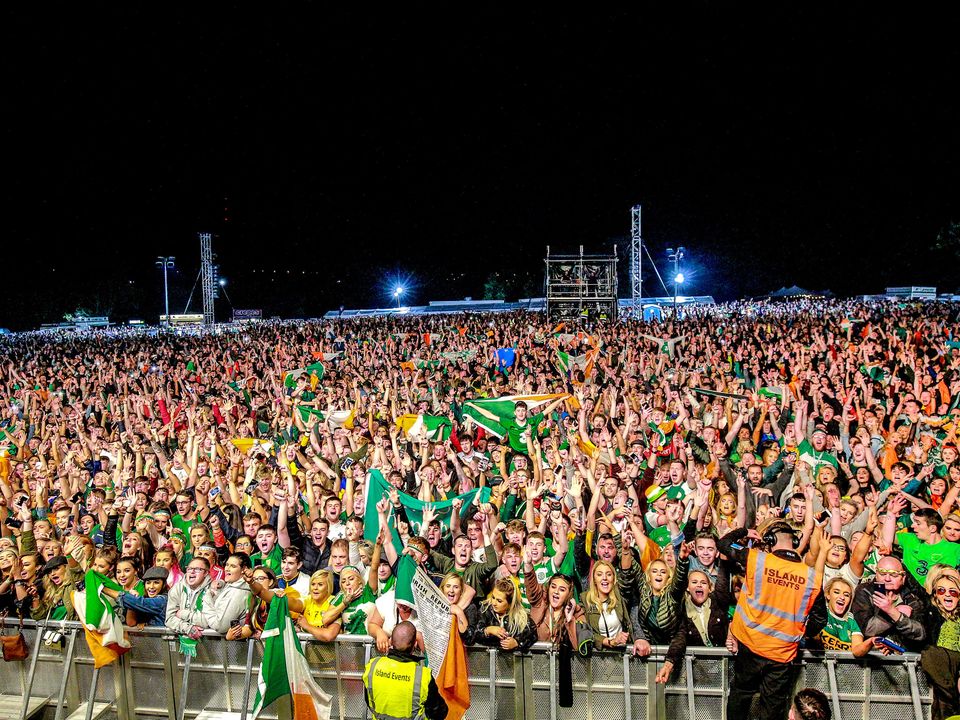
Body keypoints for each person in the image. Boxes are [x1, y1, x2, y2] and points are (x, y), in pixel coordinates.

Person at [719, 521, 829, 720]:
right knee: (773, 706)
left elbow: (724, 544)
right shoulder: (812, 577)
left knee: (741, 695)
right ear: (794, 541)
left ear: (770, 540)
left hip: (750, 645)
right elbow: (820, 620)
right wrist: (799, 631)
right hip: (782, 653)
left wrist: (744, 532)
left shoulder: (757, 560)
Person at [362, 620, 447, 720]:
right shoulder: (423, 676)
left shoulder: (372, 666)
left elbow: (368, 700)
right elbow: (439, 712)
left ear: (391, 641)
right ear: (415, 644)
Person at [920, 565, 960, 720]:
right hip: (942, 666)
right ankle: (953, 699)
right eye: (941, 591)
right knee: (931, 653)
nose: (948, 595)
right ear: (935, 595)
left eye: (953, 592)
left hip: (957, 662)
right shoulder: (931, 613)